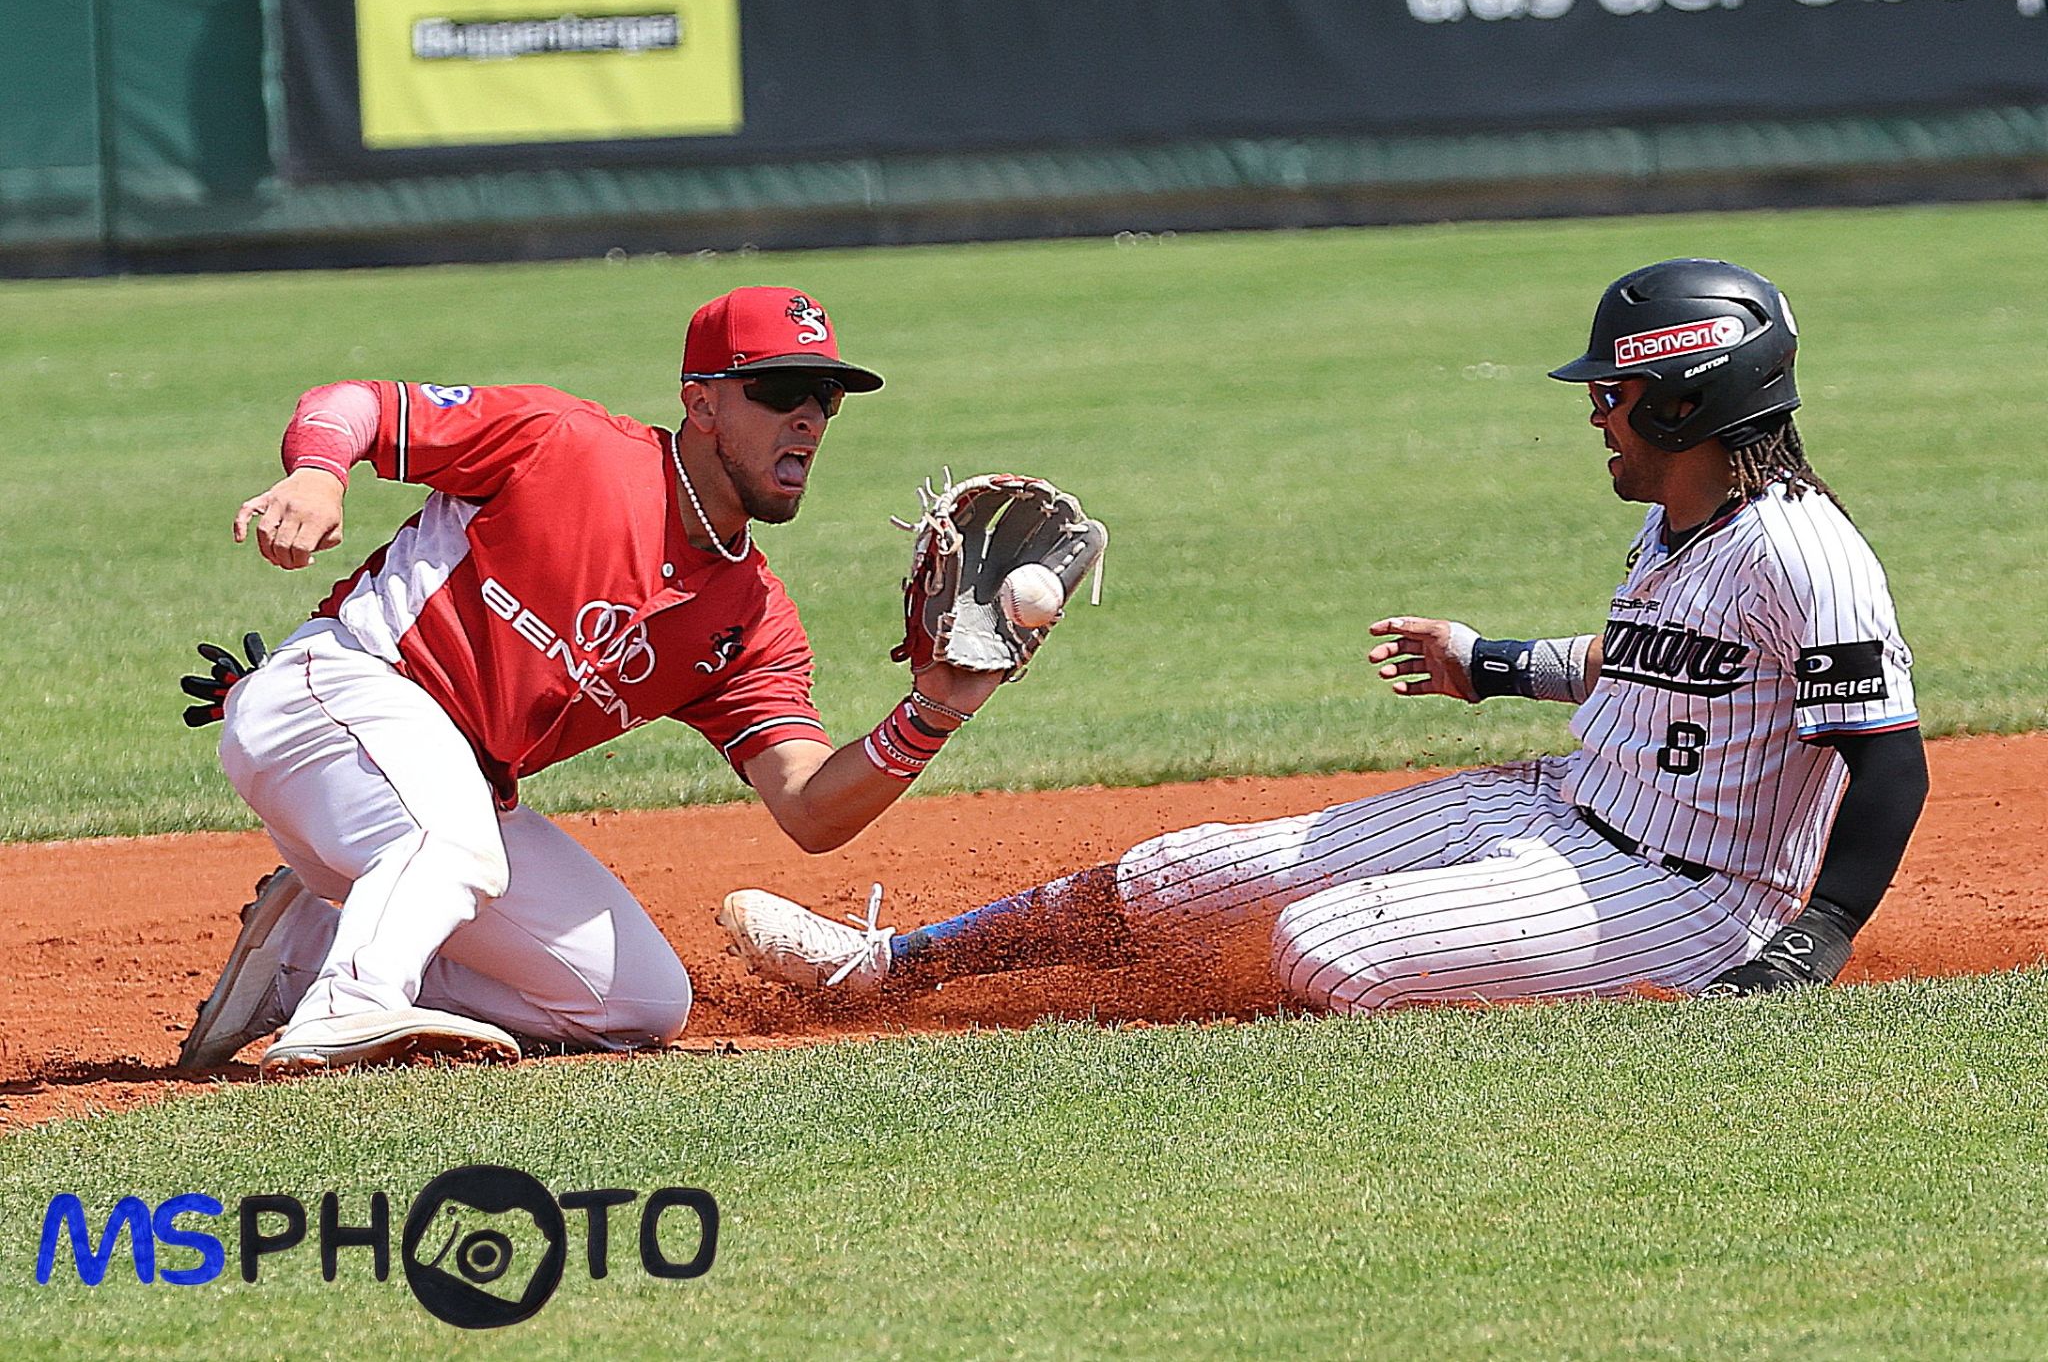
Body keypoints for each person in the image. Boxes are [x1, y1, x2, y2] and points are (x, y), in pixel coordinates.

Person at [719, 259, 1929, 1013]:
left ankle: (1583, 988)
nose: (1596, 416)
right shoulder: (1682, 526)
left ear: (1685, 400)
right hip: (1558, 806)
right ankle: (891, 965)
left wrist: (1809, 944)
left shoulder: (1800, 552)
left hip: (1700, 897)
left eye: (1610, 395)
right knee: (1190, 870)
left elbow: (1888, 757)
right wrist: (1492, 664)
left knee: (1326, 952)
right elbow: (1655, 667)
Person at [177, 286, 1012, 1073]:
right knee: (453, 838)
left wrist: (935, 709)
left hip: (436, 799)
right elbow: (356, 402)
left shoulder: (751, 616)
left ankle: (304, 955)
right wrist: (321, 471)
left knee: (638, 1002)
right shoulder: (564, 442)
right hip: (340, 693)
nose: (806, 416)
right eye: (779, 387)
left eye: (825, 397)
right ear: (702, 401)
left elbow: (810, 806)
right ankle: (349, 1004)